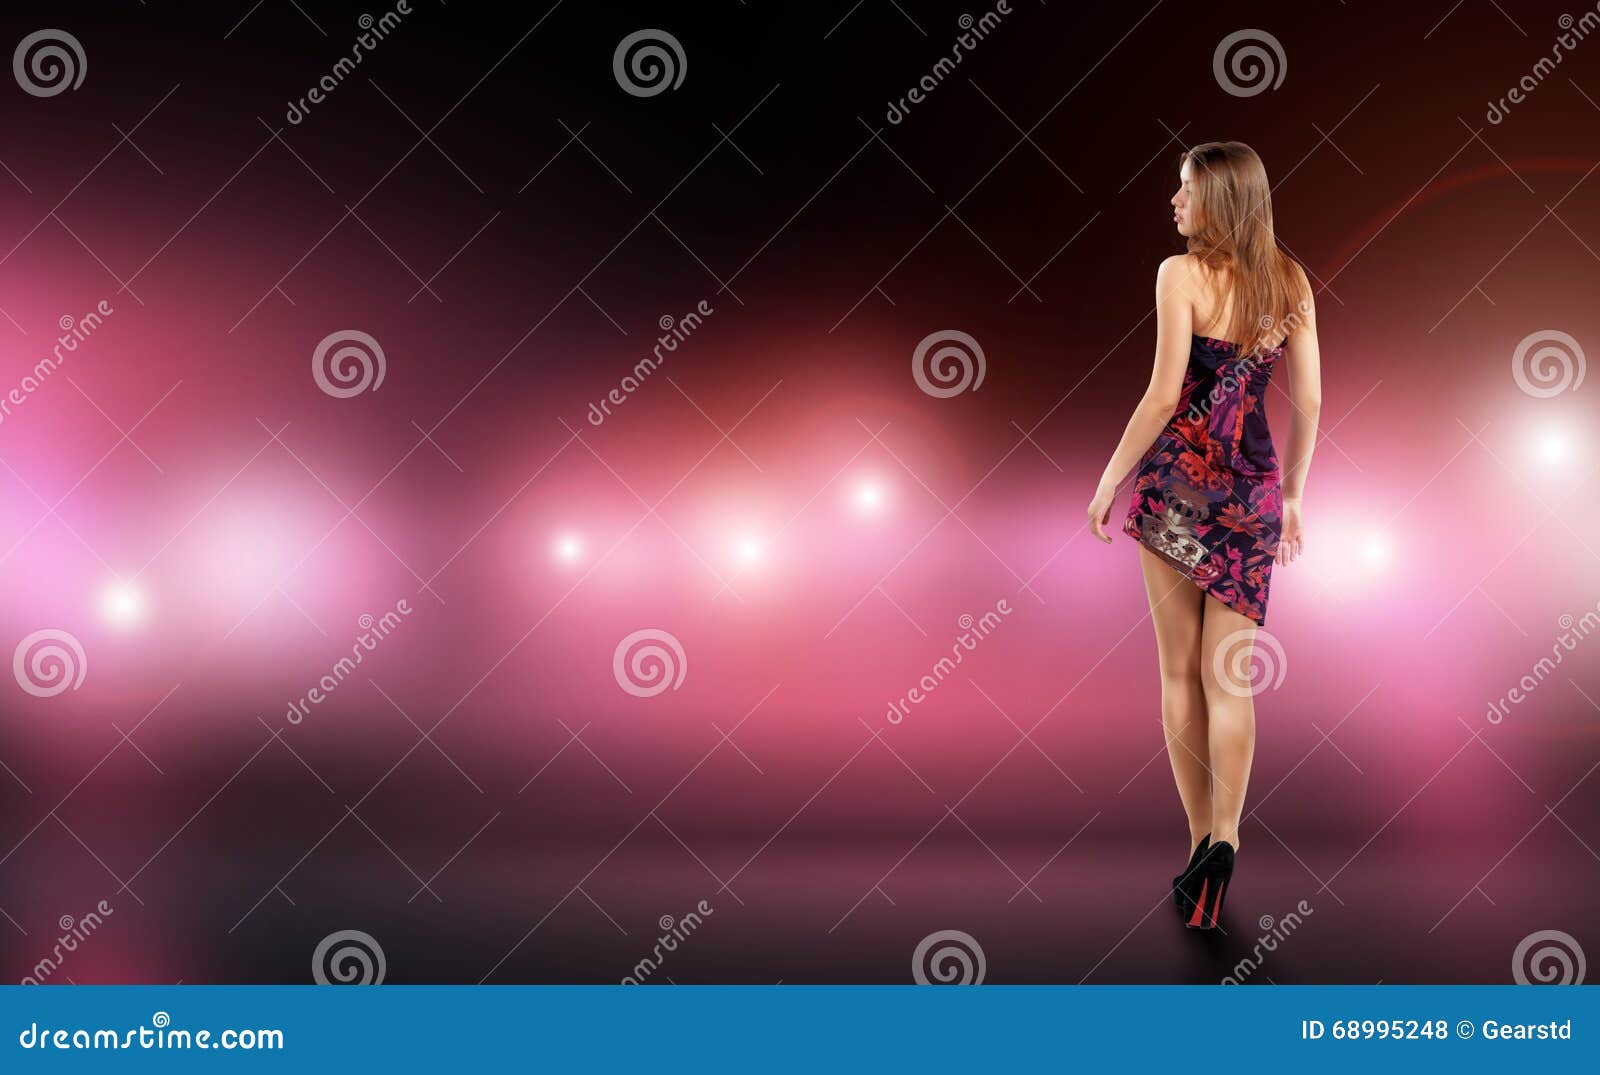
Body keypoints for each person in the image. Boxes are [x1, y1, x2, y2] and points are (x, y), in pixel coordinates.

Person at [1085, 141, 1323, 929]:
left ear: (1216, 199)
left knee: (1178, 673)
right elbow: (1312, 402)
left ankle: (1198, 847)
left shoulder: (1177, 274)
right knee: (1233, 677)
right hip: (1250, 498)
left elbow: (1161, 395)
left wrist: (1112, 477)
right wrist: (1290, 493)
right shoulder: (1289, 282)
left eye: (1185, 187)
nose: (1174, 198)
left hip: (1177, 491)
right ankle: (1227, 837)